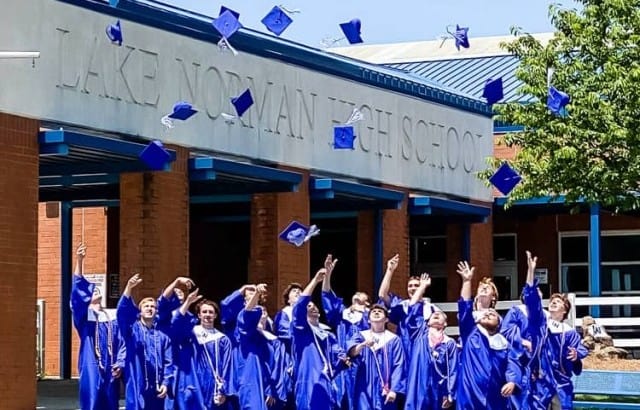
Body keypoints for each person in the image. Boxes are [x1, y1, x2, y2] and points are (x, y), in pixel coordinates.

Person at [523, 251, 588, 410]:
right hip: (540, 382)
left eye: (558, 302)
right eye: (552, 301)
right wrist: (531, 271)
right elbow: (531, 299)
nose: (553, 303)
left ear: (565, 310)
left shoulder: (569, 331)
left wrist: (576, 355)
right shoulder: (540, 324)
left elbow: (580, 349)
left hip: (560, 383)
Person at [456, 261, 521, 410]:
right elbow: (464, 308)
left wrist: (512, 381)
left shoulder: (504, 342)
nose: (487, 315)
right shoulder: (471, 333)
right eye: (485, 315)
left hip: (494, 397)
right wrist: (466, 281)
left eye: (492, 314)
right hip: (470, 396)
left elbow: (513, 362)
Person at [70, 244, 125, 410]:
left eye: (96, 289)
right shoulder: (84, 317)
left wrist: (120, 363)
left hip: (111, 365)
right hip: (91, 364)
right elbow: (77, 292)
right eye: (91, 291)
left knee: (110, 402)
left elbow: (122, 342)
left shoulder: (112, 315)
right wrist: (79, 260)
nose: (95, 291)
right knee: (92, 401)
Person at [291, 268, 350, 410]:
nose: (312, 307)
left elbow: (337, 355)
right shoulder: (301, 330)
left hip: (328, 384)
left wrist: (343, 360)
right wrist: (316, 280)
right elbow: (300, 305)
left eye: (314, 305)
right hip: (309, 381)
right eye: (308, 306)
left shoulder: (328, 335)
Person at [117, 274, 174, 410]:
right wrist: (129, 288)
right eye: (146, 306)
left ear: (156, 311)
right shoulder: (132, 331)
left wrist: (166, 383)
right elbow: (122, 313)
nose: (149, 308)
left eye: (153, 306)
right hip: (137, 382)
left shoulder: (163, 337)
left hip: (158, 385)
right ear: (140, 312)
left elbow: (169, 363)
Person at [321, 254, 370, 410]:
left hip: (364, 364)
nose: (357, 293)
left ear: (367, 301)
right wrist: (327, 274)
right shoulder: (342, 314)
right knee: (341, 400)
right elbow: (327, 295)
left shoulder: (371, 316)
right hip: (344, 364)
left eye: (362, 294)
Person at [172, 289, 233, 409]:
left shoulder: (222, 339)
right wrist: (188, 301)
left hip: (213, 385)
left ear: (215, 315)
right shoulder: (191, 333)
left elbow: (227, 366)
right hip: (193, 382)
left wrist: (223, 391)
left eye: (211, 312)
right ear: (199, 315)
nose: (207, 315)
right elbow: (176, 323)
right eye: (204, 312)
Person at [404, 273, 457, 410]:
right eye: (433, 315)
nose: (436, 315)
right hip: (418, 388)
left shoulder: (449, 343)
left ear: (445, 324)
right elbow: (412, 309)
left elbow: (453, 369)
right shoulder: (419, 335)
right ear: (427, 323)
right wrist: (422, 287)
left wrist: (450, 393)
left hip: (438, 390)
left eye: (439, 316)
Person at [377, 254, 440, 359]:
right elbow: (382, 295)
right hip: (404, 348)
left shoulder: (432, 308)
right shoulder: (402, 305)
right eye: (410, 286)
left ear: (423, 288)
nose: (413, 288)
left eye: (417, 285)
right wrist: (390, 270)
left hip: (424, 350)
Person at [347, 304, 405, 410]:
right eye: (373, 312)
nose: (376, 312)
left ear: (386, 319)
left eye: (380, 311)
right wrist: (363, 345)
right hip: (364, 385)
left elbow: (399, 365)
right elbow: (352, 353)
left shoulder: (393, 339)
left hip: (386, 388)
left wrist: (394, 390)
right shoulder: (361, 336)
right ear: (368, 320)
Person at [234, 283, 279, 410]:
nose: (261, 313)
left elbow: (273, 366)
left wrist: (271, 389)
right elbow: (247, 314)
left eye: (263, 310)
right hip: (250, 380)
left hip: (266, 385)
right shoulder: (247, 332)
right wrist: (257, 293)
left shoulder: (270, 339)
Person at [272, 282, 303, 410]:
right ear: (288, 298)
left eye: (300, 291)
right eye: (294, 291)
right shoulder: (284, 313)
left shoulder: (309, 313)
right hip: (289, 356)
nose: (297, 292)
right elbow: (284, 332)